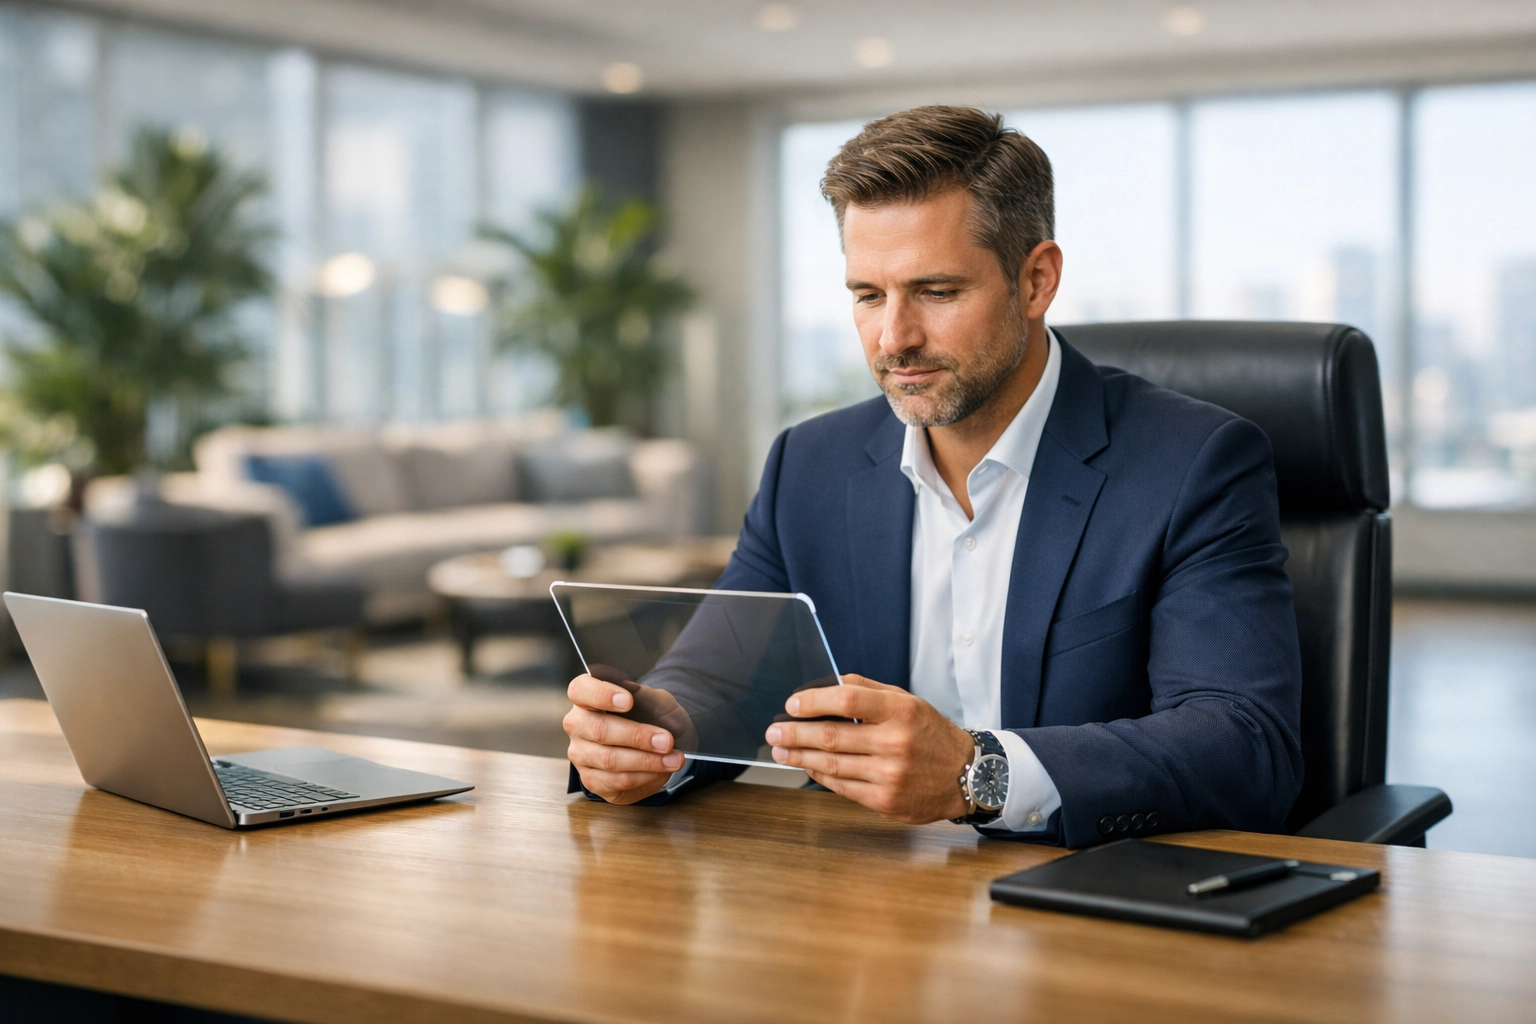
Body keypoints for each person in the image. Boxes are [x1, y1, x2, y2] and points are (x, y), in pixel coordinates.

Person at [563, 105, 1304, 847]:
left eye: (937, 292)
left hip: (1091, 900)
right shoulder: (809, 464)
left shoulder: (1194, 461)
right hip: (869, 906)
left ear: (1036, 280)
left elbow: (1243, 745)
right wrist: (653, 735)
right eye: (868, 295)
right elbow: (720, 679)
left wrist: (975, 772)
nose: (895, 338)